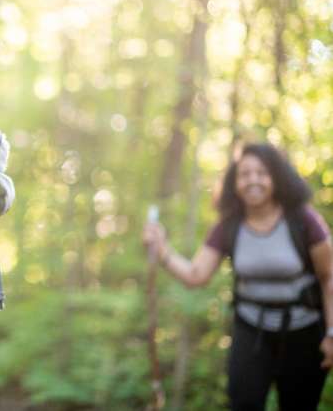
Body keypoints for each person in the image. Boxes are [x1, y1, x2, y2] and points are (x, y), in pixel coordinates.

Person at [142, 143, 333, 411]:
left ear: (275, 178)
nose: (253, 180)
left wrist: (332, 334)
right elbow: (196, 275)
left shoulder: (303, 220)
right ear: (235, 182)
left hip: (304, 332)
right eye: (244, 174)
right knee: (242, 403)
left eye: (261, 173)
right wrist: (162, 251)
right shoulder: (228, 226)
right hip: (251, 331)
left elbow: (329, 278)